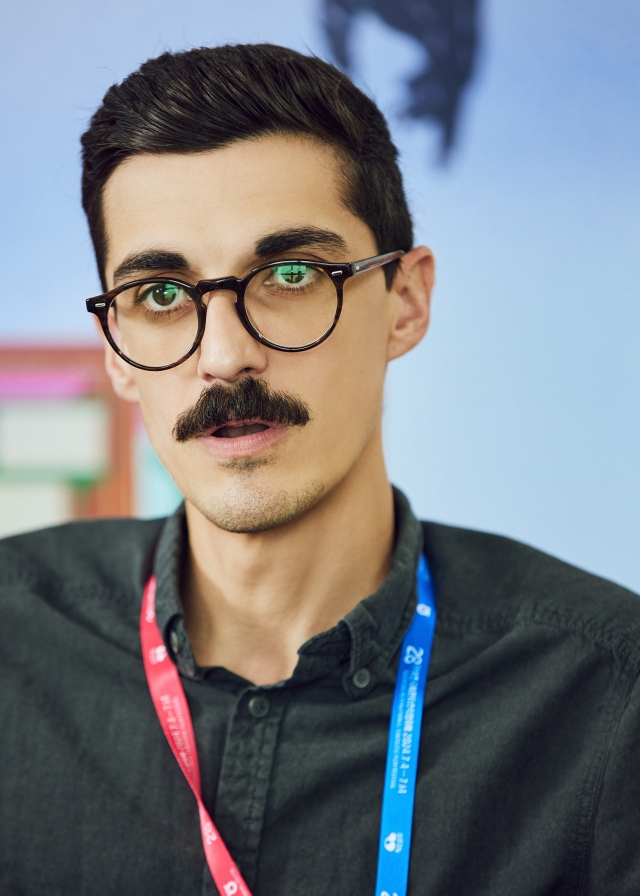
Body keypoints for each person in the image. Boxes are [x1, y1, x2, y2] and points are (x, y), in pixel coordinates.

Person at [1, 43, 639, 896]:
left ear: (405, 303)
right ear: (114, 350)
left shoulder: (606, 695)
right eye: (159, 294)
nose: (226, 357)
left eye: (291, 274)